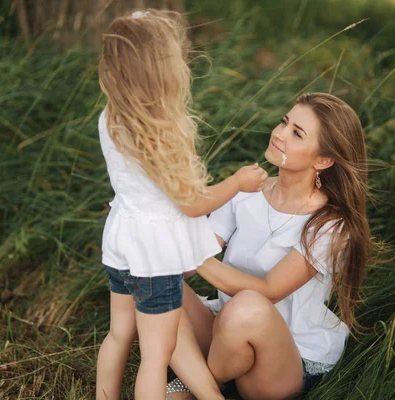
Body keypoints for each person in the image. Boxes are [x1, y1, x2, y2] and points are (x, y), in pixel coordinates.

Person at [94, 10, 268, 400]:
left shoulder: (111, 119)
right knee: (158, 356)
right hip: (154, 257)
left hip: (121, 240)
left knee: (118, 334)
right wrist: (238, 182)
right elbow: (192, 205)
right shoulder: (160, 132)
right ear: (164, 72)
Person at [167, 92, 372, 400]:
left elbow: (269, 289)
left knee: (248, 305)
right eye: (284, 122)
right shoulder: (247, 190)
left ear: (323, 160)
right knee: (149, 277)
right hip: (225, 331)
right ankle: (211, 390)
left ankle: (196, 385)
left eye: (297, 133)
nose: (279, 134)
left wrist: (196, 255)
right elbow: (190, 261)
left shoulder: (330, 224)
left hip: (283, 358)